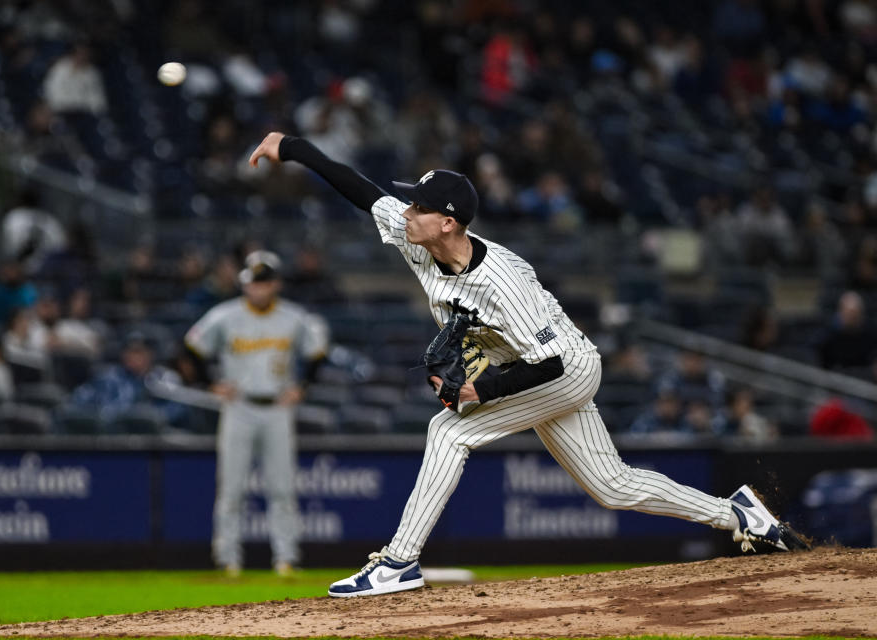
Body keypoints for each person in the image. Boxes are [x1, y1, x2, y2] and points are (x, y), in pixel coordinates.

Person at [248, 131, 809, 598]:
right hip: (531, 365)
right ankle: (739, 514)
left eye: (419, 205)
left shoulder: (501, 282)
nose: (407, 211)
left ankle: (399, 562)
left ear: (448, 221)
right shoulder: (418, 234)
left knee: (447, 431)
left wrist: (479, 390)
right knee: (612, 486)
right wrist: (292, 146)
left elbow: (552, 362)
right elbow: (361, 189)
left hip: (564, 368)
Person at [184, 250, 329, 578]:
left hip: (278, 407)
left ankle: (286, 558)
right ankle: (228, 558)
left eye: (264, 283)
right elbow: (190, 348)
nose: (258, 289)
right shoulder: (225, 315)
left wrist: (302, 386)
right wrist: (210, 383)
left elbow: (318, 353)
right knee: (232, 487)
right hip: (239, 406)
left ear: (275, 284)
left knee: (282, 487)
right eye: (253, 283)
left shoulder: (293, 317)